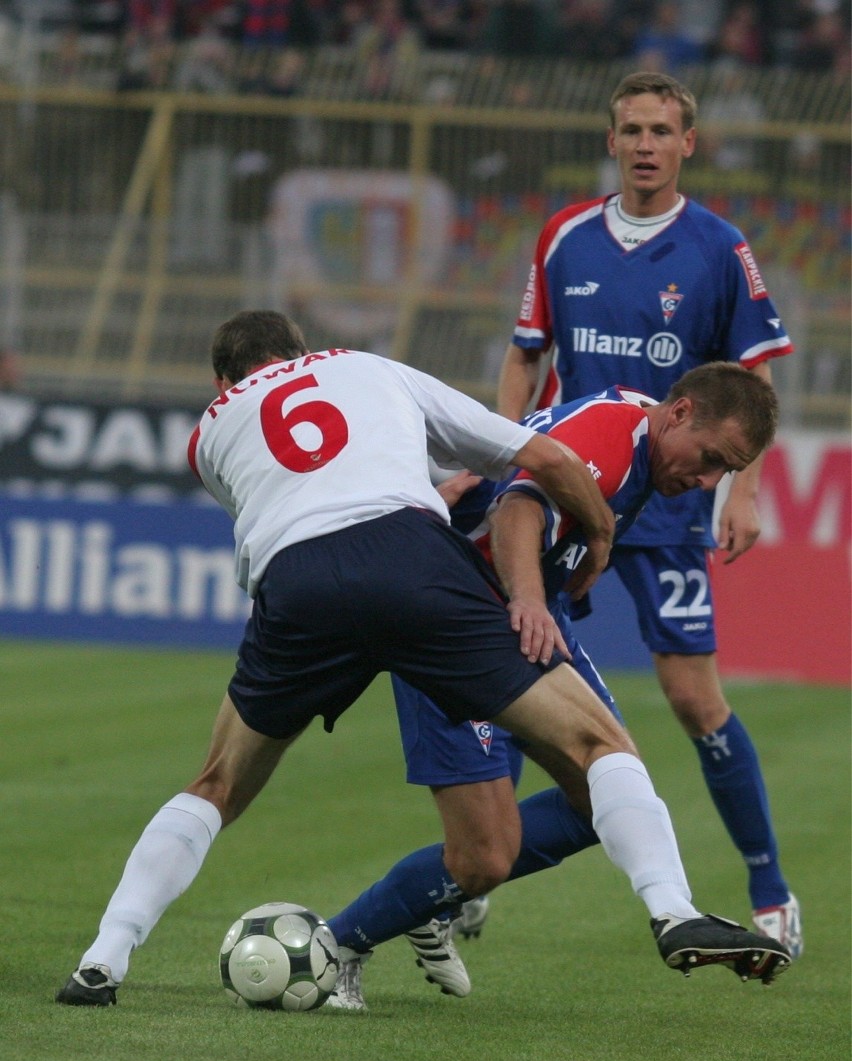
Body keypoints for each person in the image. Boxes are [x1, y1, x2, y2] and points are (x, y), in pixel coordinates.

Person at [55, 311, 791, 1007]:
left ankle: (101, 960)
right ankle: (669, 912)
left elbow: (279, 501)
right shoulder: (368, 368)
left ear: (226, 382)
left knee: (217, 784)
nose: (704, 482)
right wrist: (597, 533)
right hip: (423, 574)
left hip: (298, 585)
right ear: (309, 351)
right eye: (712, 465)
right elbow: (533, 461)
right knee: (596, 751)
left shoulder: (209, 432)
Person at [324, 363, 786, 1010]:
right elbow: (520, 505)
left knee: (600, 789)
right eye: (709, 459)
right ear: (678, 413)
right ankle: (335, 945)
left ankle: (674, 915)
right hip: (455, 621)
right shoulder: (610, 434)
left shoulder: (639, 429)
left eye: (725, 473)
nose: (707, 482)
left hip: (518, 612)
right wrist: (532, 601)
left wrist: (588, 543)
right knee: (484, 856)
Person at [497, 71, 802, 957]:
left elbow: (752, 380)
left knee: (691, 696)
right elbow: (526, 358)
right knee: (516, 669)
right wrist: (506, 446)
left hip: (665, 503)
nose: (644, 145)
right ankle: (475, 868)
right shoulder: (564, 237)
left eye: (661, 131)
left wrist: (741, 489)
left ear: (687, 144)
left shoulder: (718, 247)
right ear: (612, 138)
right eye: (631, 128)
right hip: (564, 491)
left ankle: (770, 886)